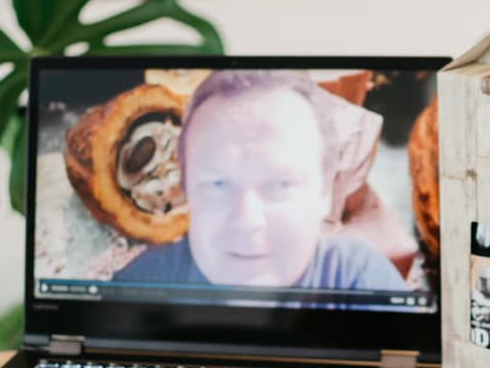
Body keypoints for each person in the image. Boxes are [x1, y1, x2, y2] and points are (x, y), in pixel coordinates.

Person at [113, 70, 409, 291]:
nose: (247, 221)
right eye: (218, 184)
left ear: (325, 194)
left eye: (280, 185)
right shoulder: (137, 286)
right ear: (185, 190)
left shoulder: (361, 278)